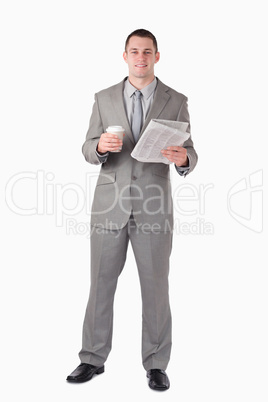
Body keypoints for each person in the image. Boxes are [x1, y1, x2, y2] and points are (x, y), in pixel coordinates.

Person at [67, 29, 198, 391]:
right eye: (134, 51)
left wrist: (185, 157)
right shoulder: (104, 97)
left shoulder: (177, 100)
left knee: (156, 288)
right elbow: (86, 146)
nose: (141, 57)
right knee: (100, 284)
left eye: (147, 51)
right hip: (109, 205)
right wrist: (99, 147)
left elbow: (190, 150)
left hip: (154, 207)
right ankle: (92, 358)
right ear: (124, 55)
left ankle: (156, 364)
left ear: (158, 56)